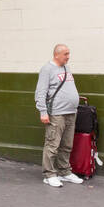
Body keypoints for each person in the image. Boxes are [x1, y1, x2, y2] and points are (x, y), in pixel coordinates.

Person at [35, 43, 82, 187]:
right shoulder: (47, 69)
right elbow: (40, 92)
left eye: (68, 53)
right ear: (57, 55)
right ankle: (49, 175)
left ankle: (64, 172)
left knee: (67, 145)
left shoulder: (66, 68)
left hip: (70, 112)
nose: (68, 57)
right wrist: (43, 111)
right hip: (56, 114)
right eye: (65, 54)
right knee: (52, 145)